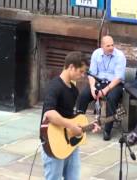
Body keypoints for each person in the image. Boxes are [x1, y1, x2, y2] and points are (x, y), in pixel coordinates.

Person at [40, 51, 100, 180]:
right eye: (81, 71)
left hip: (70, 143)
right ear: (71, 67)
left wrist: (88, 125)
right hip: (53, 142)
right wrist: (71, 126)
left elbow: (69, 116)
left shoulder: (74, 90)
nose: (83, 75)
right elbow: (49, 113)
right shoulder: (54, 86)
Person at [77, 35, 126, 141]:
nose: (111, 47)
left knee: (112, 98)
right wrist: (92, 88)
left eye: (112, 45)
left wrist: (105, 90)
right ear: (102, 46)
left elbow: (119, 78)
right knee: (84, 95)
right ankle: (77, 123)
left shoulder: (120, 56)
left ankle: (107, 130)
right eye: (108, 46)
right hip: (98, 82)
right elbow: (91, 74)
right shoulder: (96, 53)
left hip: (114, 84)